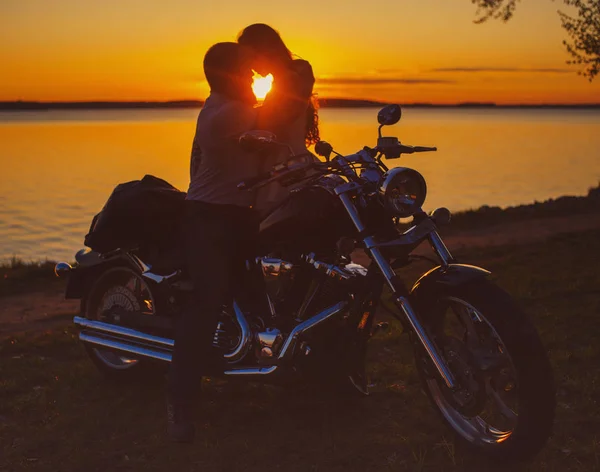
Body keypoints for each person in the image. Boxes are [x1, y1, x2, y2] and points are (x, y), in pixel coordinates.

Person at [167, 40, 312, 443]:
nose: (255, 77)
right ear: (229, 76)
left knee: (258, 298)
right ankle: (180, 403)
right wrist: (298, 71)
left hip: (242, 215)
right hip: (210, 219)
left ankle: (267, 368)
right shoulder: (230, 113)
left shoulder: (230, 105)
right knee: (207, 301)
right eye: (248, 71)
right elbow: (282, 114)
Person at [237, 23, 320, 216]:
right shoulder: (278, 83)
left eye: (251, 57)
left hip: (291, 170)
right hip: (274, 170)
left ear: (265, 50)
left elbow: (278, 121)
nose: (251, 66)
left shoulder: (299, 71)